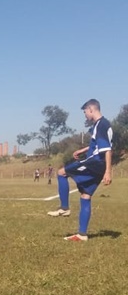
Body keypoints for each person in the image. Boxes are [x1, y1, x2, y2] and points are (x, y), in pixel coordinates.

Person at [47, 99, 113, 242]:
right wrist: (83, 150)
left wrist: (108, 171)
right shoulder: (101, 124)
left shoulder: (101, 125)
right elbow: (97, 145)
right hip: (98, 166)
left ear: (91, 109)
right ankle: (82, 234)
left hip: (95, 163)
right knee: (85, 195)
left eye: (85, 112)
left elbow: (107, 149)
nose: (85, 115)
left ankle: (64, 207)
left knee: (61, 173)